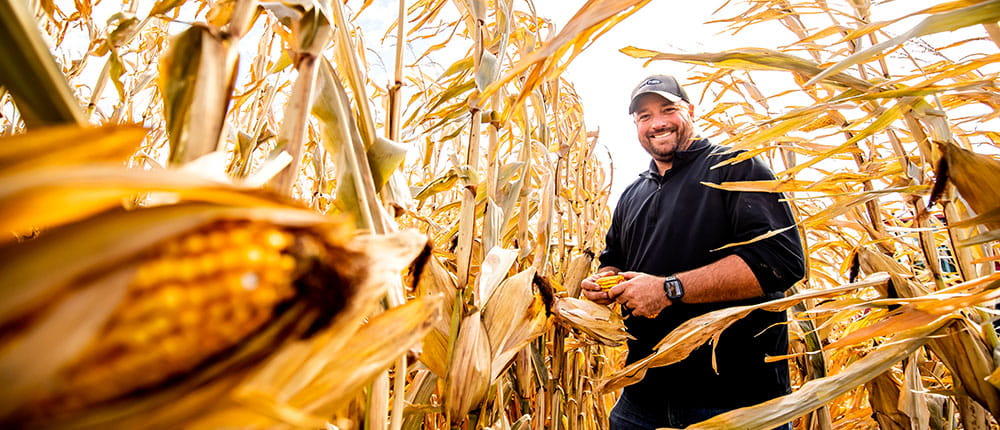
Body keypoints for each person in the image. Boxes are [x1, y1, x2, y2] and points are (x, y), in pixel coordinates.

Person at [581, 74, 806, 429]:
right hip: (642, 398)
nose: (657, 123)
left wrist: (668, 289)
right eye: (644, 116)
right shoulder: (632, 194)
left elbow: (780, 263)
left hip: (735, 401)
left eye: (667, 109)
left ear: (690, 111)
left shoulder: (735, 167)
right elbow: (614, 261)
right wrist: (604, 282)